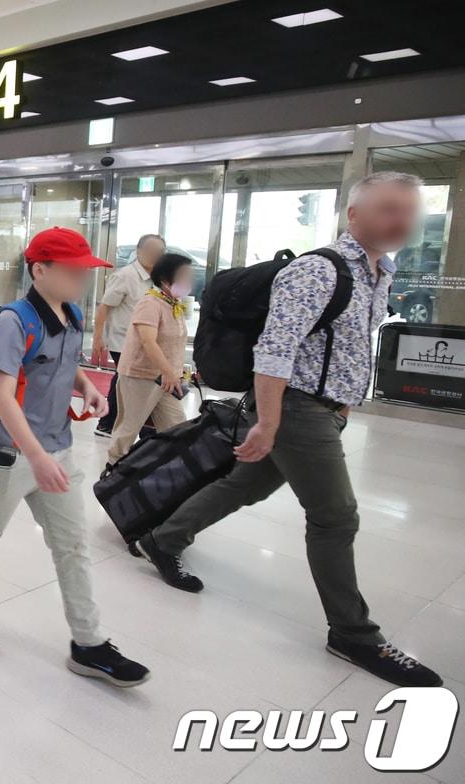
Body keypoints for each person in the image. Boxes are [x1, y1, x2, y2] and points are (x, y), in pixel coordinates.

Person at [136, 172, 442, 688]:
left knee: (244, 486)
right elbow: (275, 348)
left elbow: (345, 346)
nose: (402, 221)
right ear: (353, 215)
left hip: (323, 408)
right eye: (388, 209)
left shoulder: (379, 271)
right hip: (295, 408)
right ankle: (353, 633)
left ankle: (162, 539)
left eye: (410, 211)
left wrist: (343, 405)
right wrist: (271, 420)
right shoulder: (317, 271)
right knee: (335, 516)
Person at [0, 226, 150, 687]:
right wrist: (35, 456)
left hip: (57, 452)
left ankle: (88, 644)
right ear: (40, 270)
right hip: (9, 456)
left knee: (72, 546)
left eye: (85, 271)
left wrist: (89, 388)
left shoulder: (70, 314)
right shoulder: (15, 321)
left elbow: (64, 365)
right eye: (72, 271)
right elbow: (2, 394)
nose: (82, 280)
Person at [105, 253, 194, 466]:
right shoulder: (150, 303)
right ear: (165, 279)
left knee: (176, 425)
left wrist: (176, 371)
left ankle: (173, 466)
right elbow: (148, 341)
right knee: (130, 425)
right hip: (141, 375)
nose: (188, 282)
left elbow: (173, 343)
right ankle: (114, 465)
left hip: (167, 378)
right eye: (183, 277)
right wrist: (167, 370)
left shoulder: (174, 303)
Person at [92, 234, 166, 437]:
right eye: (150, 250)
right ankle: (110, 423)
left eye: (159, 252)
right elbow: (104, 308)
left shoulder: (159, 279)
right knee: (125, 379)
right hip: (122, 339)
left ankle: (113, 423)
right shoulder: (125, 276)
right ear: (139, 251)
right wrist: (98, 338)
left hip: (146, 341)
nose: (154, 255)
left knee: (125, 380)